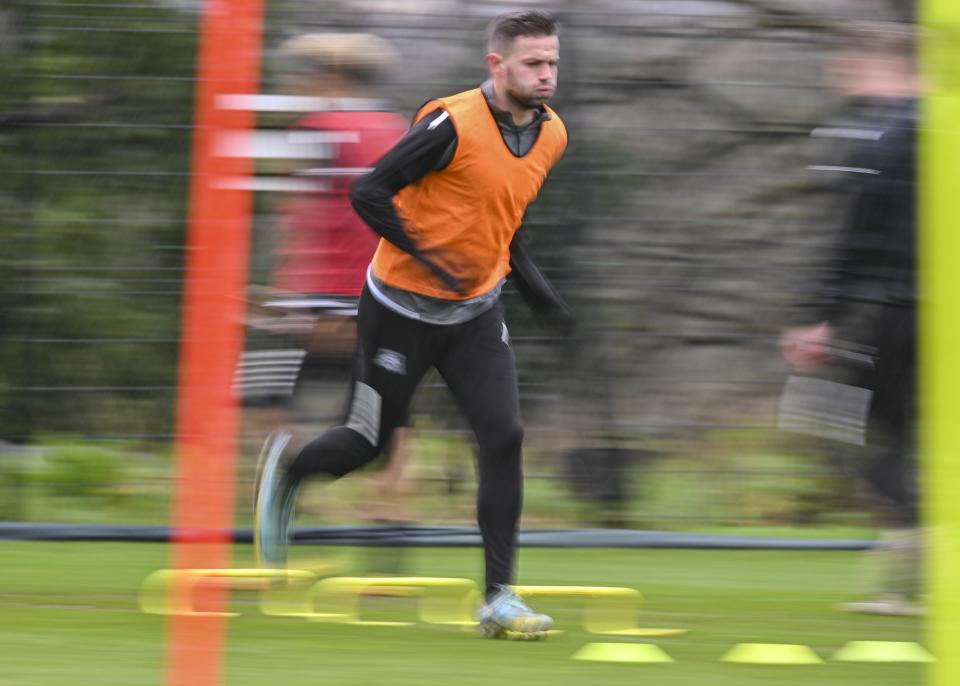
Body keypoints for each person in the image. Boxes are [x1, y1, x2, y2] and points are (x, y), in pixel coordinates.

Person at [254, 10, 572, 639]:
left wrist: (539, 293)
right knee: (367, 443)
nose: (546, 75)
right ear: (497, 65)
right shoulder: (451, 123)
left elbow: (504, 220)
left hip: (476, 314)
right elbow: (368, 191)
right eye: (533, 63)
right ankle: (288, 475)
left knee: (504, 435)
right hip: (397, 310)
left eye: (552, 63)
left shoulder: (554, 134)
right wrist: (428, 255)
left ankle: (499, 600)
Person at [780, 21, 920, 615]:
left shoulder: (880, 137)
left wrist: (818, 318)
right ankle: (904, 579)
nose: (837, 75)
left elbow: (855, 242)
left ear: (872, 63)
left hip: (899, 314)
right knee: (910, 442)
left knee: (852, 431)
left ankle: (915, 563)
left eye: (845, 64)